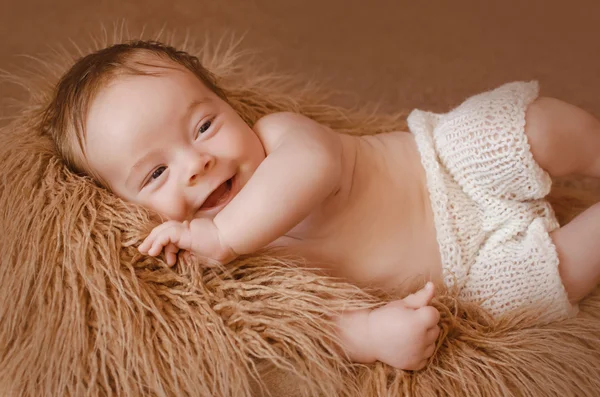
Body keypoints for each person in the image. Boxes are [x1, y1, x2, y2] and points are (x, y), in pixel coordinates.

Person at [43, 40, 600, 370]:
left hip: (444, 167)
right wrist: (370, 337)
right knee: (542, 284)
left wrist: (222, 237)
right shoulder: (225, 275)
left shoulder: (282, 139)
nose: (197, 163)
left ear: (233, 107)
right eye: (157, 172)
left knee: (526, 128)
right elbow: (294, 325)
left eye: (205, 125)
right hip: (466, 273)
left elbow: (315, 169)